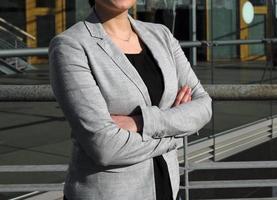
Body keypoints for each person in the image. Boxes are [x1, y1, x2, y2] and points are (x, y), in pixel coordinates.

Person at [48, 0, 212, 199]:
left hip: (168, 188)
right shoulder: (71, 45)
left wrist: (141, 122)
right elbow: (104, 146)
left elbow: (203, 105)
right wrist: (176, 132)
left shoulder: (162, 36)